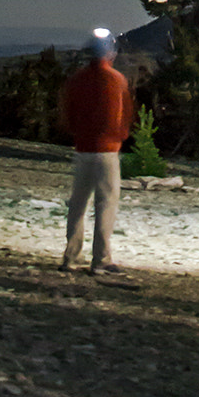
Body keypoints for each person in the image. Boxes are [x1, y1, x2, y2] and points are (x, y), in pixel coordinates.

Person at [59, 27, 135, 276]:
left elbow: (67, 112)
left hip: (83, 148)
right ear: (110, 53)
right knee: (106, 203)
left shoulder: (77, 80)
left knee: (78, 203)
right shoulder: (116, 80)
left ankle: (71, 255)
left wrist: (77, 133)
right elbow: (124, 116)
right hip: (107, 151)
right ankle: (101, 258)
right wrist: (120, 137)